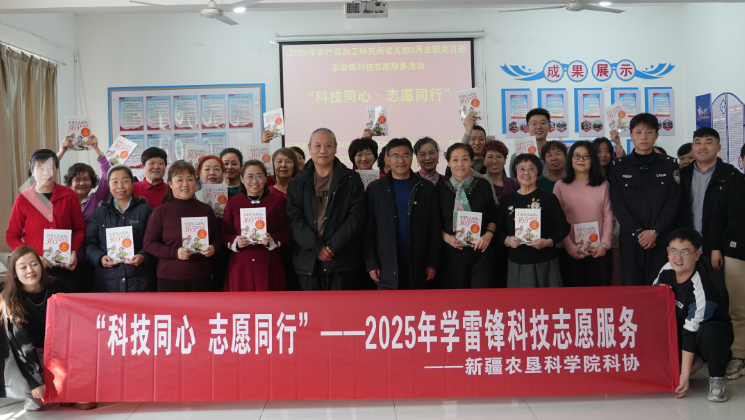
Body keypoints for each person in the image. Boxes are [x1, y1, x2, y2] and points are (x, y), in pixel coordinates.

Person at [653, 228, 733, 403]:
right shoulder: (666, 270)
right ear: (667, 252)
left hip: (708, 338)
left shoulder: (702, 288)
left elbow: (690, 332)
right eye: (674, 251)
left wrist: (684, 376)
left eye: (685, 252)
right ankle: (692, 361)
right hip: (680, 332)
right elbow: (652, 302)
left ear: (697, 255)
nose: (678, 257)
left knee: (709, 331)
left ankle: (717, 378)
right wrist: (659, 293)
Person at [1, 246, 84, 411]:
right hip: (24, 355)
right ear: (15, 272)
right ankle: (32, 396)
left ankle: (64, 393)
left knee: (84, 393)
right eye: (23, 267)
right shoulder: (11, 299)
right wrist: (35, 379)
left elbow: (72, 326)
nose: (30, 270)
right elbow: (22, 343)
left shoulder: (57, 288)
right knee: (26, 386)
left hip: (57, 352)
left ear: (41, 266)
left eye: (34, 264)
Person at [286, 128, 366, 291]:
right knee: (312, 307)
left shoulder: (351, 179)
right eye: (317, 146)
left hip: (342, 260)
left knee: (341, 307)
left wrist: (332, 247)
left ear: (336, 148)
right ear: (309, 148)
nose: (322, 150)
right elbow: (295, 219)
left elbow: (356, 217)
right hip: (308, 261)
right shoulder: (297, 182)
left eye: (328, 145)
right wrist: (317, 248)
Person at [609, 113, 680, 286]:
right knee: (632, 290)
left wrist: (655, 231)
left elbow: (673, 202)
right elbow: (619, 205)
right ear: (631, 135)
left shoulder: (669, 165)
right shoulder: (618, 167)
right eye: (638, 132)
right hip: (631, 241)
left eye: (649, 132)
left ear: (656, 135)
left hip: (661, 240)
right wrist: (639, 232)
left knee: (660, 287)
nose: (643, 136)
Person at [364, 138, 441, 290]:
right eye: (395, 156)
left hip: (419, 266)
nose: (401, 160)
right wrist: (371, 262)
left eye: (406, 155)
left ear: (412, 158)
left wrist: (432, 262)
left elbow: (435, 228)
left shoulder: (426, 188)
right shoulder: (375, 189)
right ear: (387, 159)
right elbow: (368, 230)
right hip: (385, 266)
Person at [6, 150, 85, 292]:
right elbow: (12, 236)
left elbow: (79, 228)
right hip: (36, 271)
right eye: (40, 168)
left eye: (51, 168)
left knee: (64, 304)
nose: (46, 173)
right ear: (32, 171)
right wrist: (32, 257)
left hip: (65, 268)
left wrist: (74, 250)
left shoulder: (69, 195)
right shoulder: (23, 199)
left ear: (56, 170)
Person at [678, 127, 738, 309]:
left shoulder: (730, 175)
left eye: (708, 142)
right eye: (698, 143)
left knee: (719, 296)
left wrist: (717, 247)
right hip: (688, 249)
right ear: (693, 147)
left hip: (719, 251)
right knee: (690, 297)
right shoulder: (682, 175)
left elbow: (733, 217)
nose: (702, 147)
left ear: (718, 147)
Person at [143, 161, 219, 292]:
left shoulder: (206, 209)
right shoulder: (161, 211)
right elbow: (148, 244)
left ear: (195, 183)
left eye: (190, 179)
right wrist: (175, 253)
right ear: (170, 184)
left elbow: (217, 239)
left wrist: (213, 248)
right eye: (179, 180)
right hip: (170, 278)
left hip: (201, 276)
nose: (185, 184)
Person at [500, 153, 570, 288]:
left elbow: (563, 227)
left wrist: (548, 242)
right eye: (522, 168)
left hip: (545, 260)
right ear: (515, 172)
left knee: (548, 300)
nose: (526, 172)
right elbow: (500, 229)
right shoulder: (507, 200)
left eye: (531, 168)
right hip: (517, 261)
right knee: (520, 300)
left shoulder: (548, 198)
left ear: (538, 173)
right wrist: (507, 240)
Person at [83, 165, 156, 292]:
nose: (120, 186)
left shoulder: (146, 210)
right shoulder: (99, 213)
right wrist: (100, 258)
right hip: (107, 282)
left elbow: (155, 241)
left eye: (125, 181)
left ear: (132, 184)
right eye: (115, 182)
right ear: (109, 185)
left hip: (140, 281)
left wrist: (143, 256)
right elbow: (89, 243)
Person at [222, 160, 291, 291]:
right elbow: (225, 232)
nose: (254, 181)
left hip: (268, 262)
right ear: (242, 179)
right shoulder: (233, 202)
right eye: (249, 176)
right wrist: (236, 241)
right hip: (241, 264)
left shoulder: (278, 201)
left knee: (269, 301)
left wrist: (272, 239)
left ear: (265, 178)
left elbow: (286, 231)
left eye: (259, 176)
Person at [437, 143, 498, 288]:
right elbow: (433, 222)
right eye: (455, 159)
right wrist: (447, 238)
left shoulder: (483, 185)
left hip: (481, 253)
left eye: (465, 159)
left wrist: (488, 235)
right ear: (448, 163)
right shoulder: (439, 188)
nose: (460, 164)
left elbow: (494, 216)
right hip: (452, 254)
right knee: (457, 298)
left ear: (471, 162)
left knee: (481, 297)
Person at [553, 141, 613, 287]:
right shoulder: (560, 186)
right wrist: (570, 247)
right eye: (577, 156)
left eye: (586, 156)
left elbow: (608, 216)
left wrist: (604, 244)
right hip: (569, 252)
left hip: (598, 251)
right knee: (572, 297)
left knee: (598, 296)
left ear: (593, 159)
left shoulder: (603, 185)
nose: (581, 159)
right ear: (570, 159)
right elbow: (557, 220)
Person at [709, 143, 745, 381]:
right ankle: (740, 355)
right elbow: (717, 219)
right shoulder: (731, 185)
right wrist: (715, 249)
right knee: (739, 309)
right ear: (742, 160)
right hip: (736, 253)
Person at [268, 148, 302, 291]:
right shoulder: (267, 193)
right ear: (273, 165)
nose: (283, 165)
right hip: (277, 249)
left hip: (301, 247)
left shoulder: (302, 190)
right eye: (279, 161)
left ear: (295, 165)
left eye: (288, 161)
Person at [57, 134, 110, 223]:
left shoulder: (97, 198)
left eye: (86, 179)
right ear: (70, 182)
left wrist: (96, 149)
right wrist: (61, 152)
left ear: (92, 182)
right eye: (77, 179)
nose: (82, 183)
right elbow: (45, 175)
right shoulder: (62, 200)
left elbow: (108, 174)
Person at [510, 108, 551, 178]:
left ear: (549, 127)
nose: (538, 127)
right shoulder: (517, 156)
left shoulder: (559, 155)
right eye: (534, 123)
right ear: (527, 128)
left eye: (543, 123)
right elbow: (513, 181)